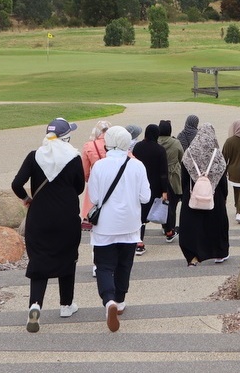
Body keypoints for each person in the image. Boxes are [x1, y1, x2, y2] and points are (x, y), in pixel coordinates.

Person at [11, 117, 84, 333]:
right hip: (66, 216)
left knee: (40, 261)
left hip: (39, 217)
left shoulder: (34, 156)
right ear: (66, 136)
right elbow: (79, 187)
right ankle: (66, 305)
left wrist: (26, 198)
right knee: (67, 256)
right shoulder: (73, 157)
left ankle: (35, 305)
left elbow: (16, 184)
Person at [87, 126, 151, 332]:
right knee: (125, 264)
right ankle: (121, 301)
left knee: (104, 265)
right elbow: (145, 197)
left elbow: (95, 198)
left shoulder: (99, 166)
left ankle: (109, 300)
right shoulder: (137, 165)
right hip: (130, 224)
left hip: (105, 225)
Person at [179, 122, 230, 266]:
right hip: (214, 195)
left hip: (193, 194)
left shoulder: (189, 154)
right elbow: (222, 180)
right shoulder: (217, 156)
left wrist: (185, 195)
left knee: (195, 226)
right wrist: (223, 196)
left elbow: (184, 178)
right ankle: (220, 253)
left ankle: (193, 254)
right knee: (217, 225)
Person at [131, 124, 168, 256]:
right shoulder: (160, 150)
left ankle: (138, 241)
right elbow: (164, 172)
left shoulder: (138, 147)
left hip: (138, 184)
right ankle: (167, 231)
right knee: (151, 212)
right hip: (154, 185)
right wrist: (165, 190)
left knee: (139, 214)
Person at [221, 120, 240, 225]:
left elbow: (223, 157)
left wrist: (223, 172)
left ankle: (237, 207)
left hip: (233, 171)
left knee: (237, 188)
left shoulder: (229, 141)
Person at [80, 120, 110, 226]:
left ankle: (89, 217)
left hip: (96, 178)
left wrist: (88, 178)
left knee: (92, 201)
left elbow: (85, 169)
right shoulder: (112, 143)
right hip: (112, 177)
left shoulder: (89, 146)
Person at [157, 120, 183, 242]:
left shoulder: (155, 142)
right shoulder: (175, 142)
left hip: (159, 174)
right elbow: (181, 157)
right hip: (173, 174)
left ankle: (164, 225)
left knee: (162, 201)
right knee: (172, 203)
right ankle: (170, 228)